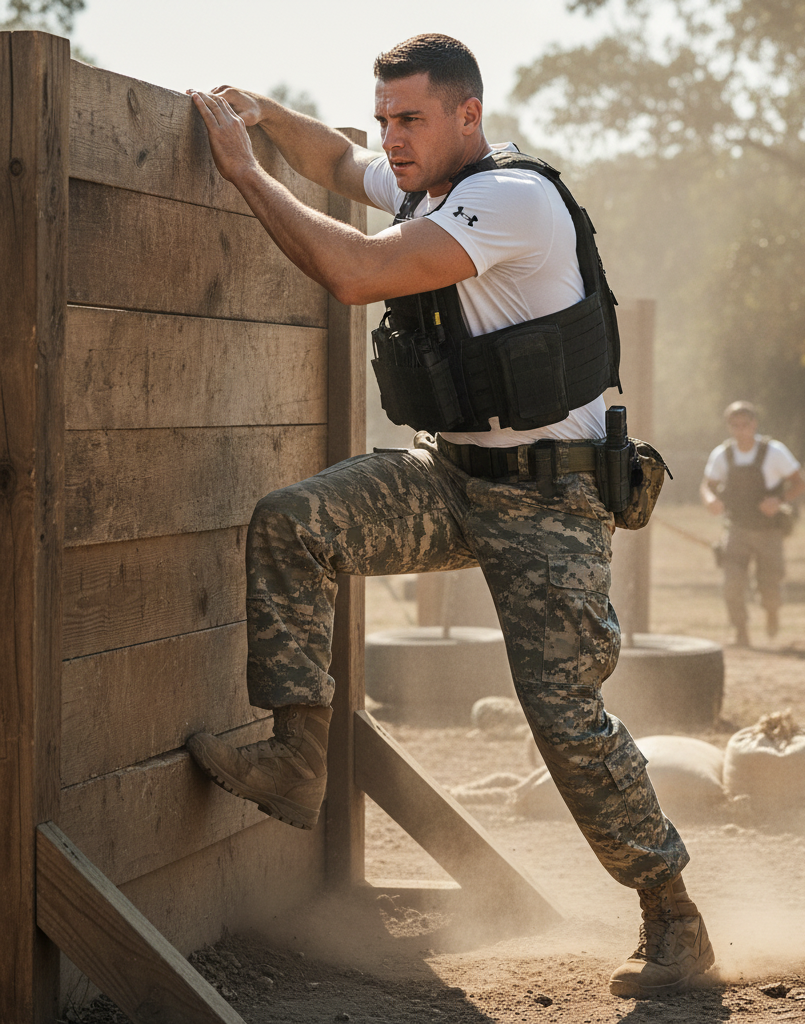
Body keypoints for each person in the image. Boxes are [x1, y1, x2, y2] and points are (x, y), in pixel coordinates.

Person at [183, 34, 713, 998]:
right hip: (452, 480)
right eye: (385, 118)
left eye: (410, 119)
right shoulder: (426, 182)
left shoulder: (510, 199)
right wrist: (264, 115)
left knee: (564, 719)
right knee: (294, 522)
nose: (390, 138)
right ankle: (299, 758)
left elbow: (350, 270)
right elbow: (338, 164)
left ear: (468, 114)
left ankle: (671, 912)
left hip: (548, 499)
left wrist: (242, 172)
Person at [699, 401, 805, 646]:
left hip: (769, 531)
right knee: (732, 584)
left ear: (754, 424)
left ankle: (772, 612)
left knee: (770, 584)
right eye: (734, 425)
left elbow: (800, 483)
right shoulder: (722, 455)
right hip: (736, 529)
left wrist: (778, 500)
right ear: (729, 427)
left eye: (744, 425)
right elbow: (707, 485)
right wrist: (710, 499)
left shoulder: (775, 452)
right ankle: (741, 632)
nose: (740, 430)